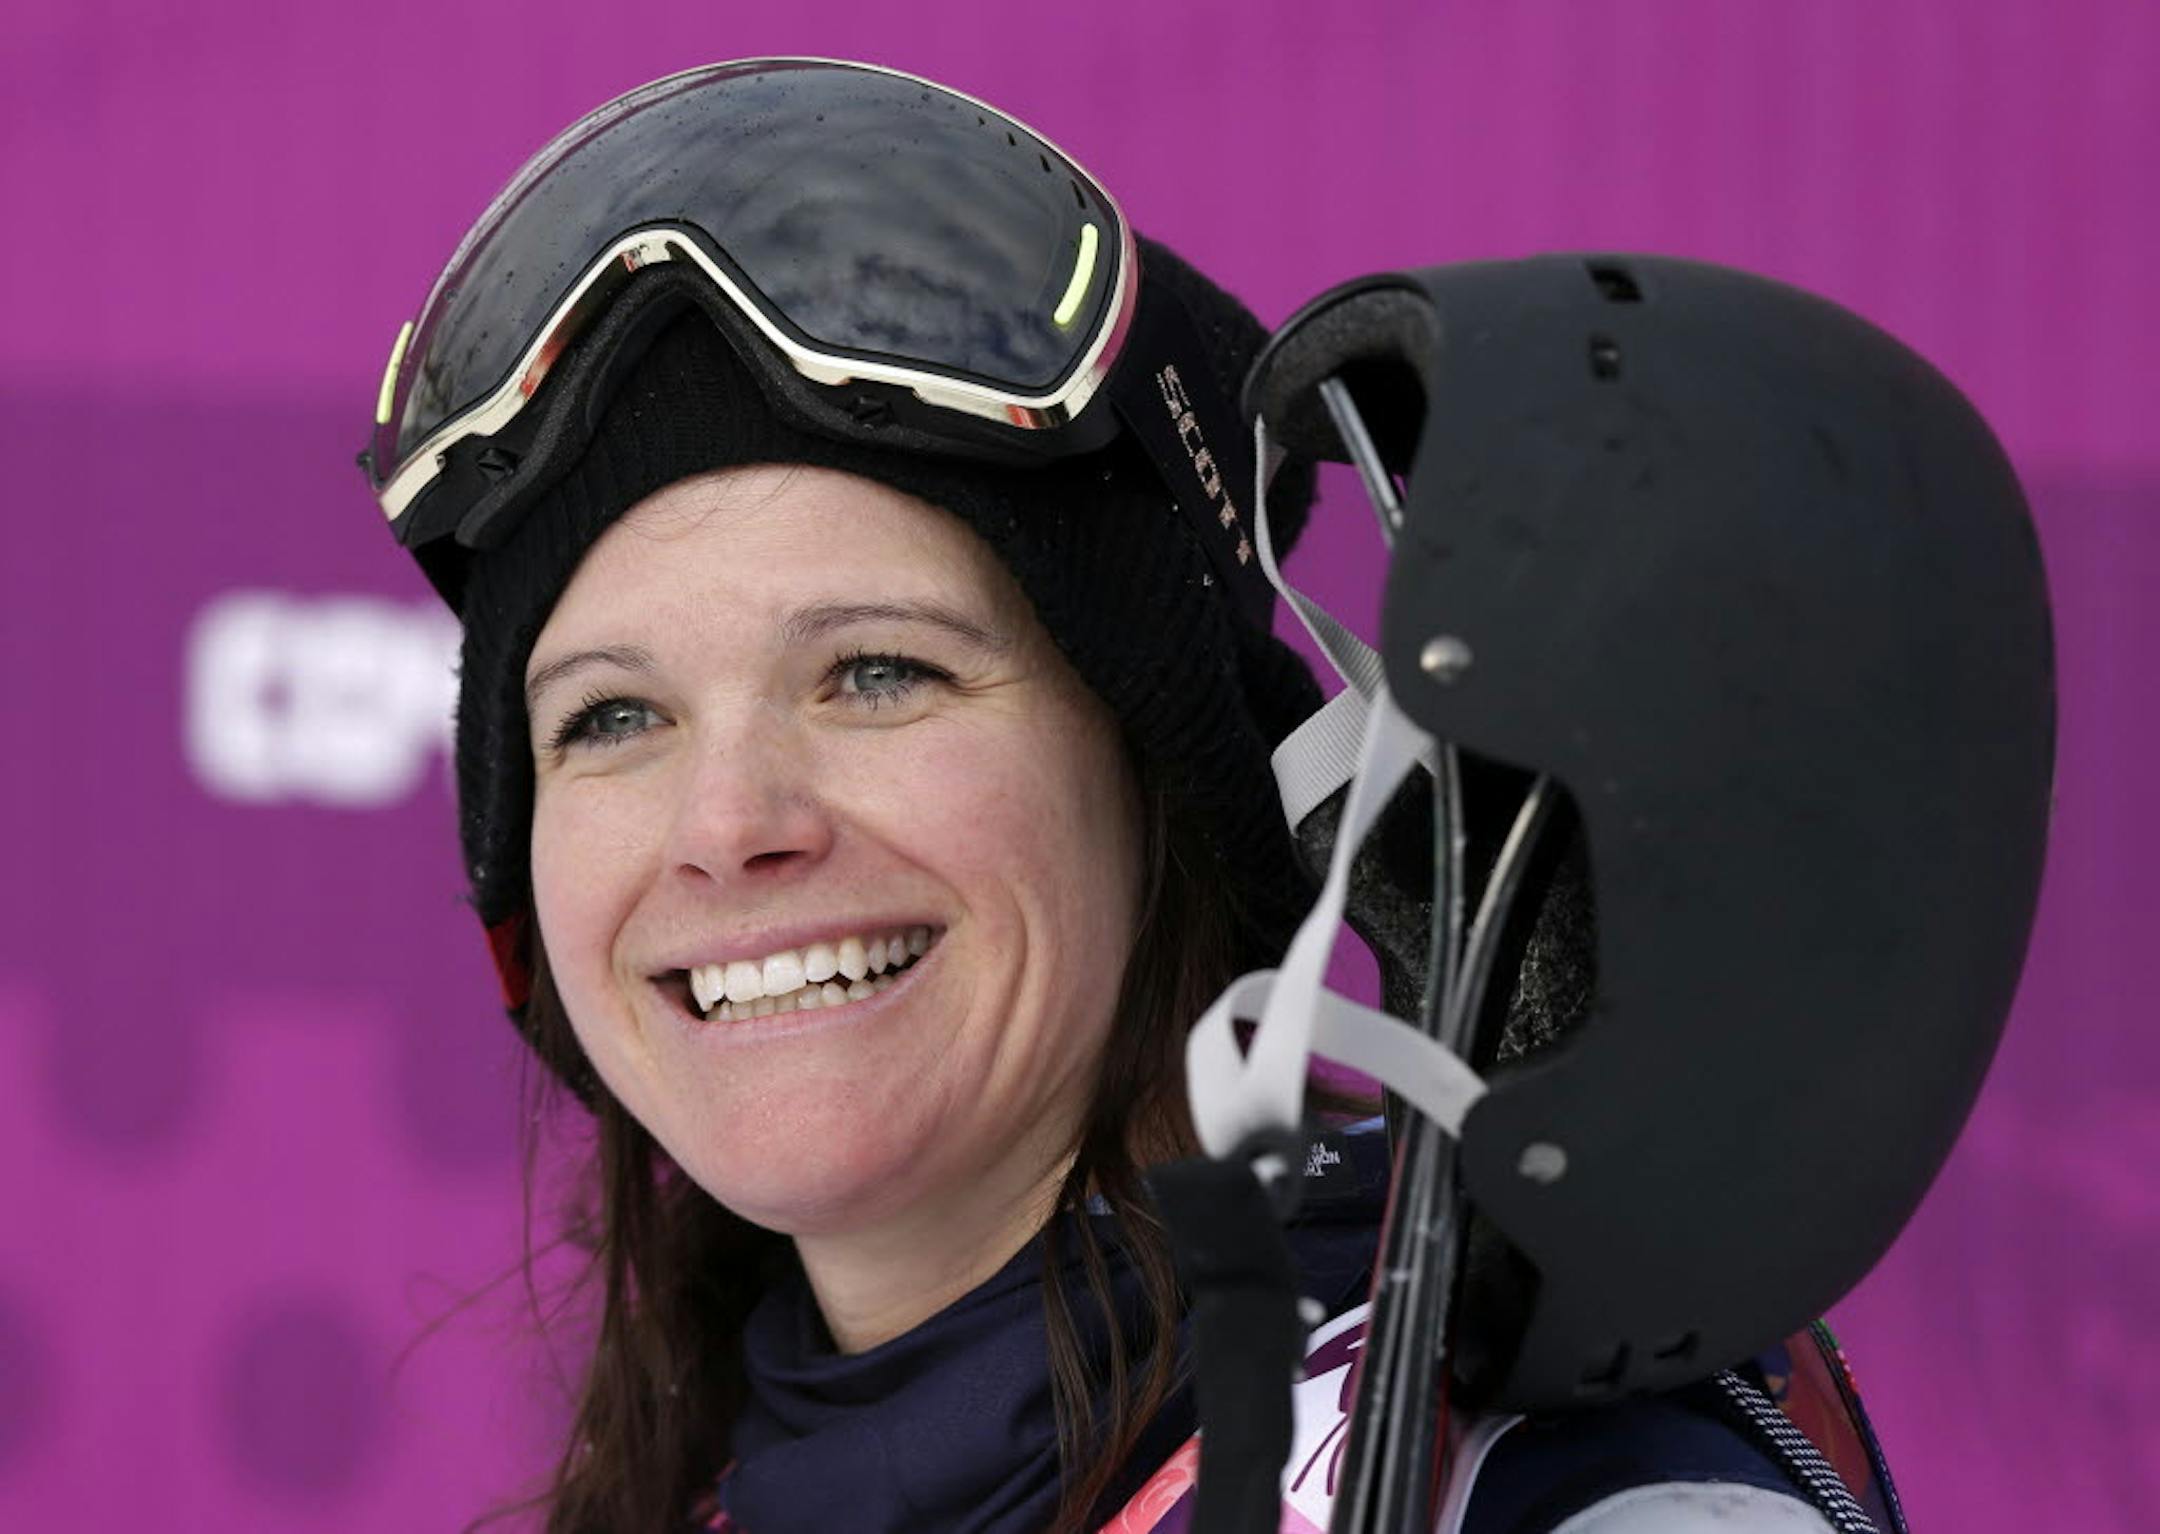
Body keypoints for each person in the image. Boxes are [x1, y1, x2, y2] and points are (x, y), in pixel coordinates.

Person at [364, 60, 1914, 1534]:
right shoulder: (724, 1476)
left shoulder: (1545, 1477)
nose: (727, 823)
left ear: (1168, 780)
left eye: (879, 673)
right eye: (614, 716)